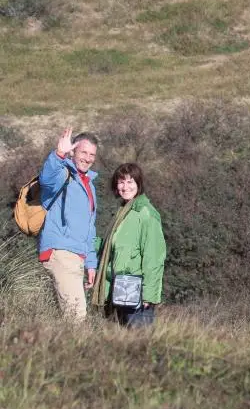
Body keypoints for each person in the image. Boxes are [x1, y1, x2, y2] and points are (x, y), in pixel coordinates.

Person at [92, 162, 166, 327]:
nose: (125, 187)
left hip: (137, 293)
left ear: (139, 184)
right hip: (120, 290)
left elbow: (154, 257)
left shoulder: (146, 214)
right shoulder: (122, 212)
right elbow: (110, 248)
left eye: (130, 181)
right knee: (122, 345)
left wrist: (149, 295)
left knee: (139, 345)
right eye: (121, 182)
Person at [38, 127, 98, 321]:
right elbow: (45, 179)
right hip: (61, 252)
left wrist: (90, 263)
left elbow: (90, 227)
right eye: (83, 152)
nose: (88, 158)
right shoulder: (61, 174)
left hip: (77, 256)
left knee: (67, 316)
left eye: (92, 155)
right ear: (73, 151)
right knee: (77, 316)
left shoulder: (89, 185)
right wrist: (59, 154)